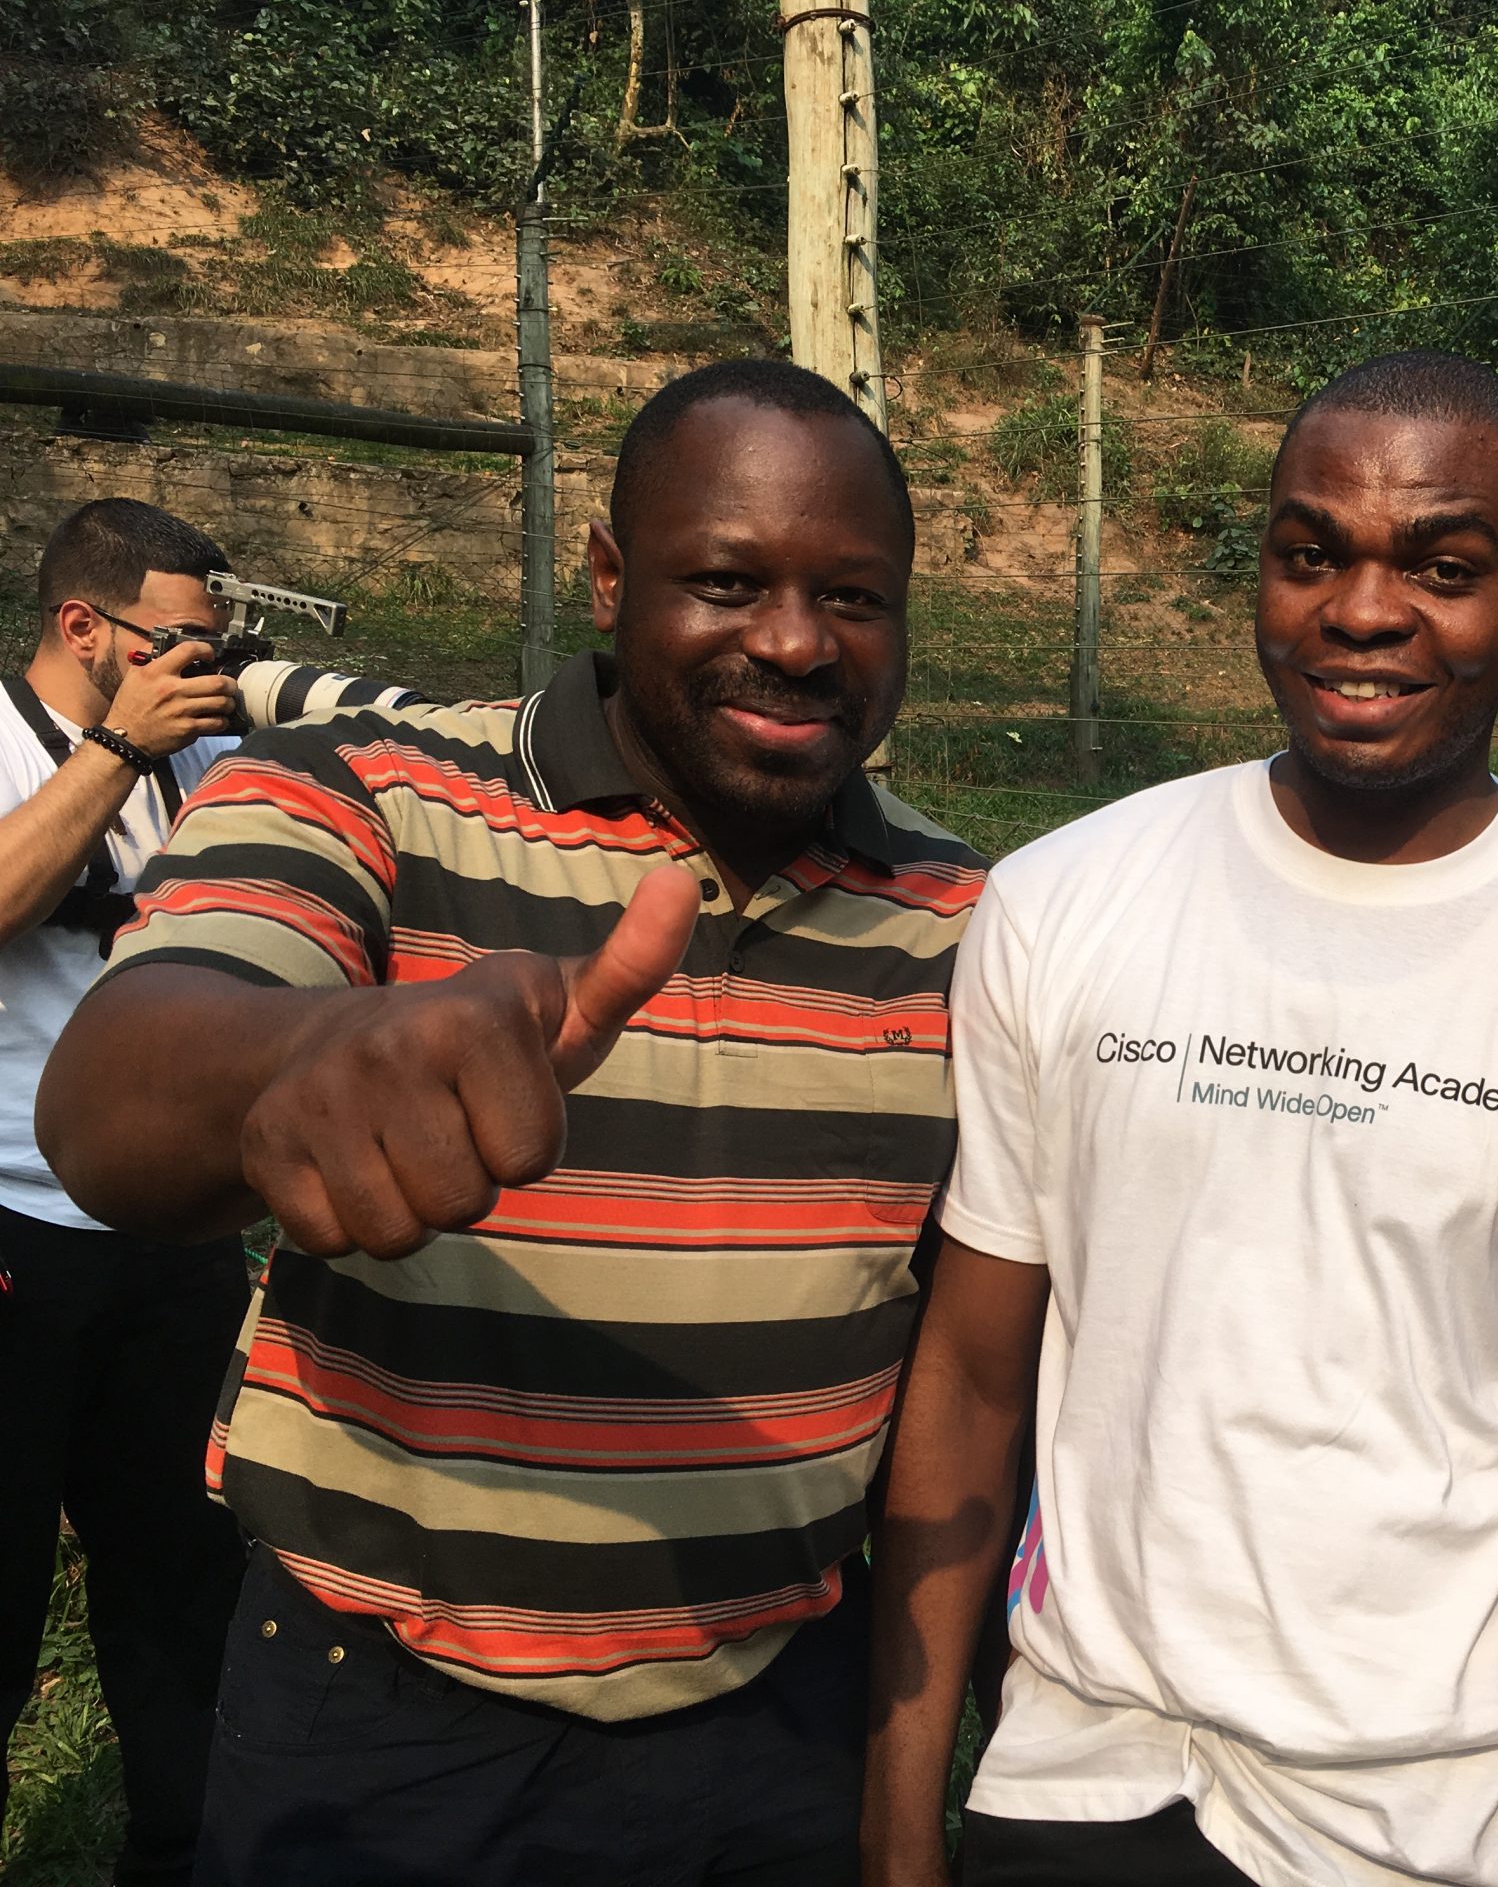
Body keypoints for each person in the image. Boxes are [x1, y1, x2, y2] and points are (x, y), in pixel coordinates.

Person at [36, 359, 983, 1885]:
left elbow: (965, 1358)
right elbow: (108, 1103)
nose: (797, 640)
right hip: (384, 1718)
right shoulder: (365, 793)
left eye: (855, 598)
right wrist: (314, 1054)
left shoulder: (965, 919)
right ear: (610, 576)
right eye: (728, 582)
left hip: (781, 1709)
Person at [862, 350, 1498, 1887]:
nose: (1362, 610)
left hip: (1460, 1815)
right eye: (1310, 554)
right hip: (1088, 1780)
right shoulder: (1064, 903)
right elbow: (968, 1378)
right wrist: (898, 1822)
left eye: (1443, 569)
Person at [0, 499, 250, 1886]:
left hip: (173, 1228)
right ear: (83, 626)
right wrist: (115, 753)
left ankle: (181, 1853)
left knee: (184, 1589)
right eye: (174, 642)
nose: (196, 668)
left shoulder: (201, 752)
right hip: (14, 1227)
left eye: (212, 645)